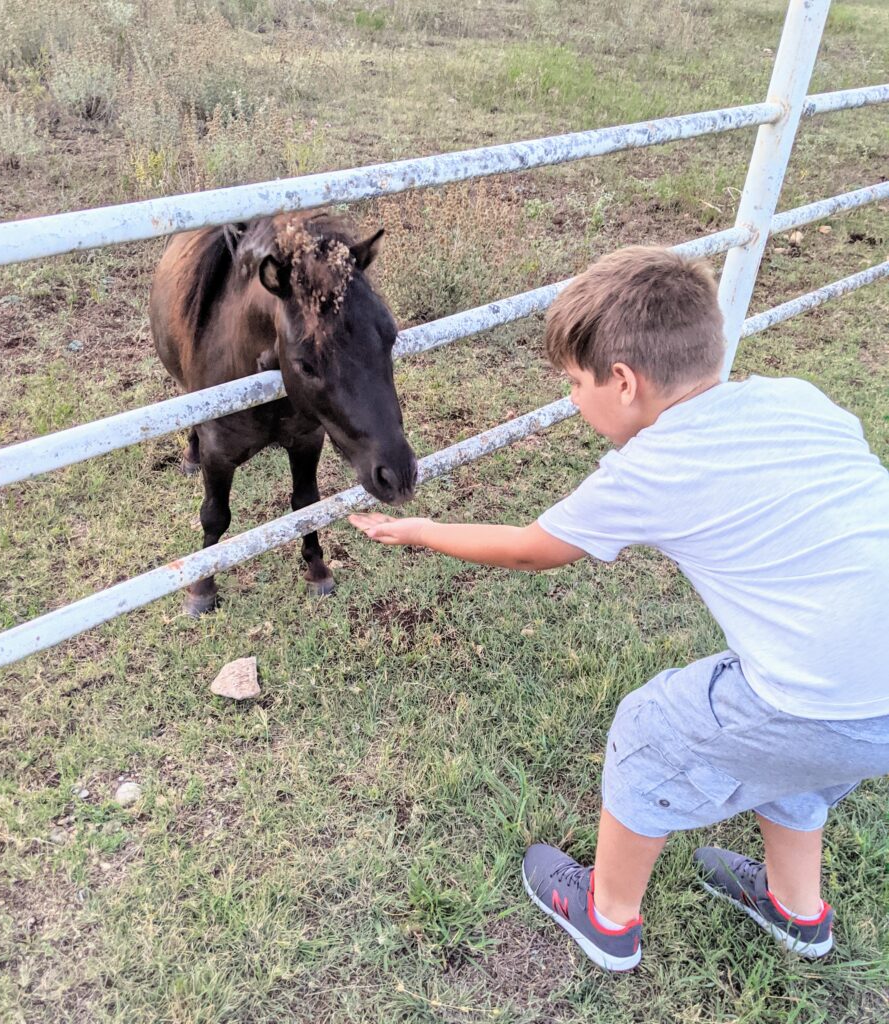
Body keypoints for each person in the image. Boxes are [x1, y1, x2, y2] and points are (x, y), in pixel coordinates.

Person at [349, 245, 889, 972]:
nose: (572, 399)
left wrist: (415, 529)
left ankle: (605, 915)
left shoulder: (652, 469)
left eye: (574, 383)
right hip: (875, 697)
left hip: (818, 696)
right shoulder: (800, 399)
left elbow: (529, 549)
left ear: (624, 382)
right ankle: (796, 911)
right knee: (792, 765)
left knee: (652, 725)